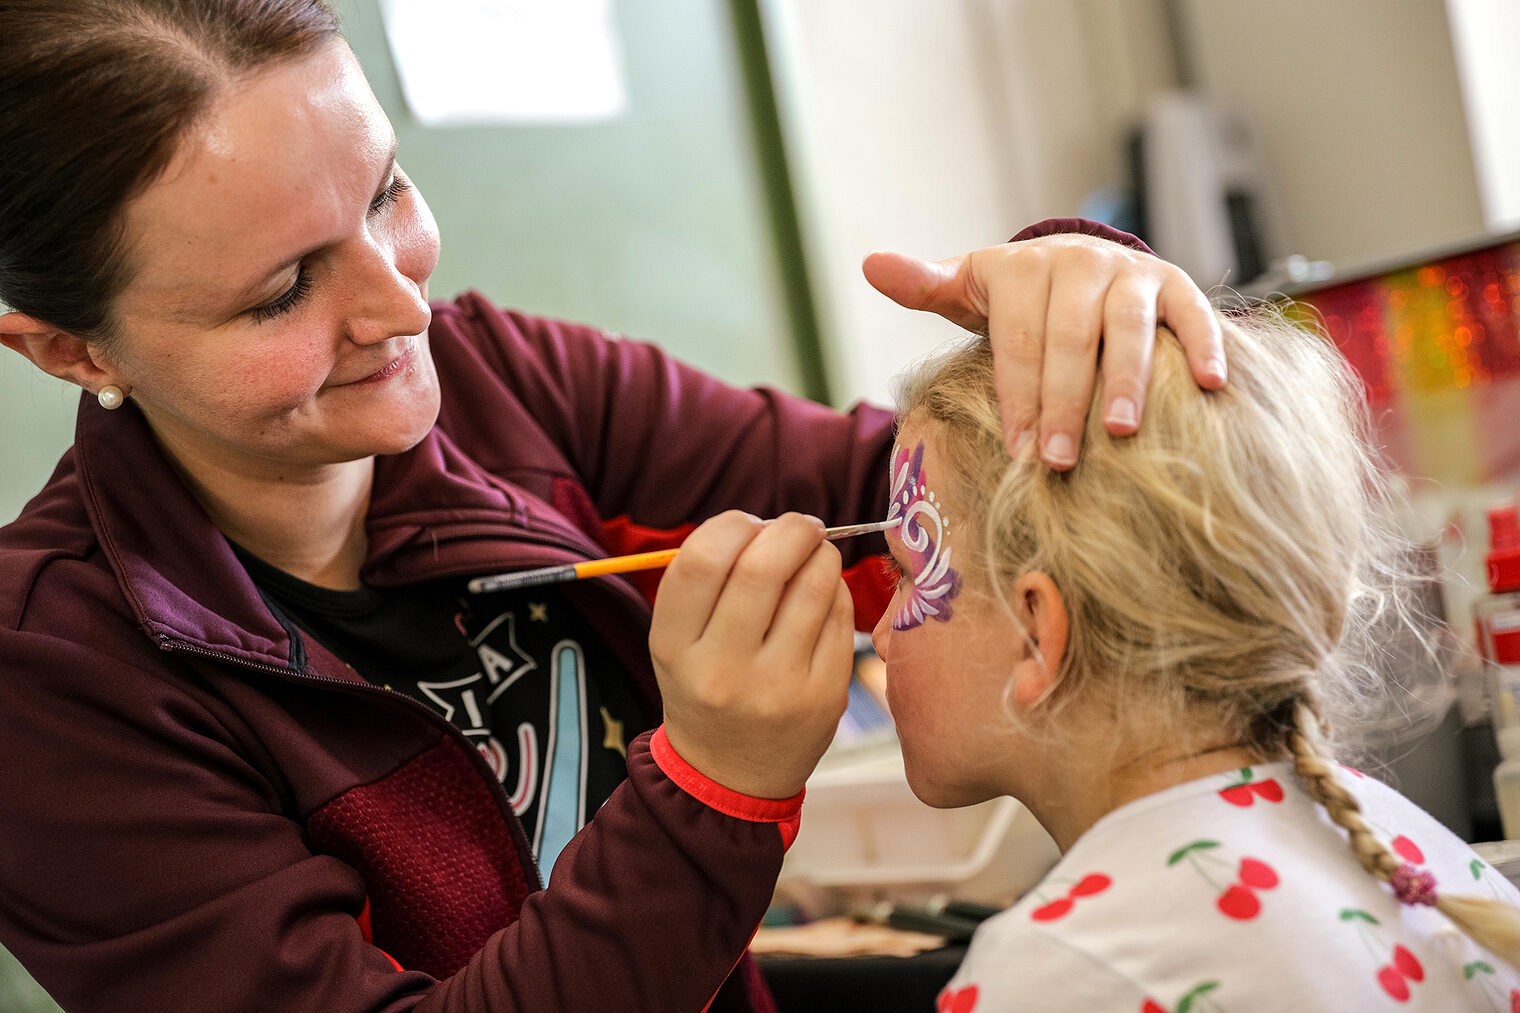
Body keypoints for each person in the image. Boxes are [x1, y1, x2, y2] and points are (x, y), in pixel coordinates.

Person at [0, 1, 1222, 1010]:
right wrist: (714, 788)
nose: (402, 310)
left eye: (386, 195)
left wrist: (1074, 307)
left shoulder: (508, 386)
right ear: (70, 350)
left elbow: (948, 498)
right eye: (280, 293)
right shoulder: (49, 687)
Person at [870, 310, 1520, 1011]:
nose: (877, 634)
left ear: (1037, 633)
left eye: (905, 572)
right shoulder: (1423, 857)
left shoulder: (1064, 969)